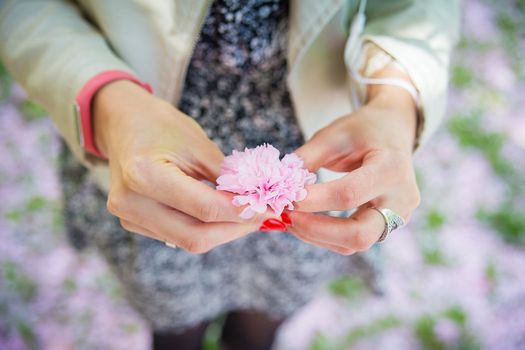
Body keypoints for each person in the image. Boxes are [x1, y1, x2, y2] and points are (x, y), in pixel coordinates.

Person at [0, 0, 460, 349]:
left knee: (264, 323)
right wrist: (110, 106)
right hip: (145, 142)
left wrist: (396, 99)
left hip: (316, 152)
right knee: (172, 325)